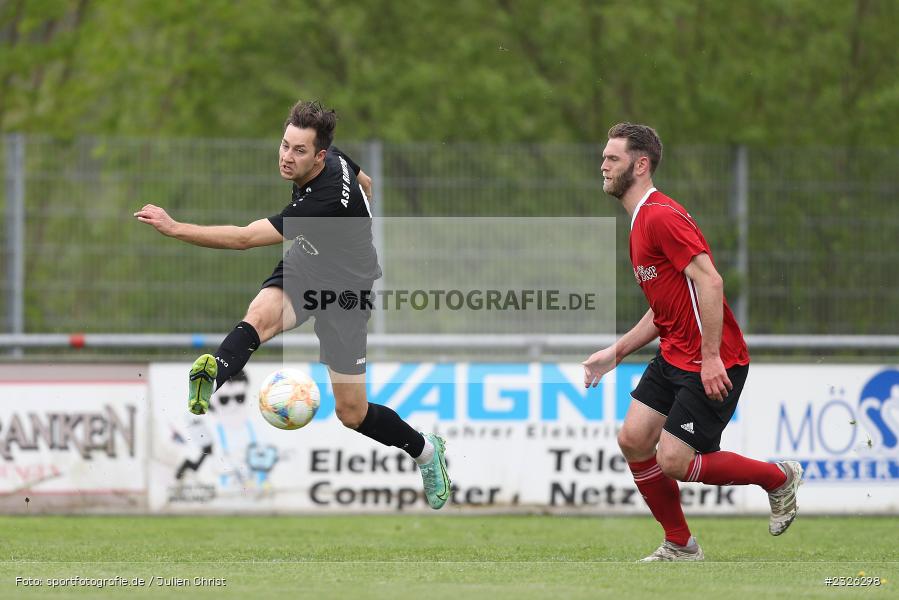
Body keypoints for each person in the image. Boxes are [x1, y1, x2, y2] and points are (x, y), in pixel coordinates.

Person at [135, 100, 450, 510]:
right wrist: (362, 191)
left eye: (299, 151)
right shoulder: (332, 157)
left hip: (345, 296)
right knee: (259, 318)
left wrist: (175, 228)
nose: (287, 157)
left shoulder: (322, 203)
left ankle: (427, 452)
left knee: (352, 414)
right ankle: (212, 379)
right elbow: (356, 172)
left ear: (318, 156)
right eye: (285, 145)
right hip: (305, 266)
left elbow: (244, 239)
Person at [582, 123, 802, 561]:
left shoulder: (661, 215)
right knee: (632, 440)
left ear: (640, 165)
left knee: (675, 462)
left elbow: (710, 281)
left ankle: (777, 477)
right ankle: (680, 545)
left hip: (712, 359)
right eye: (604, 157)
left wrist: (710, 357)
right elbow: (664, 308)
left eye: (613, 158)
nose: (603, 165)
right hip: (674, 354)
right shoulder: (640, 220)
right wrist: (615, 352)